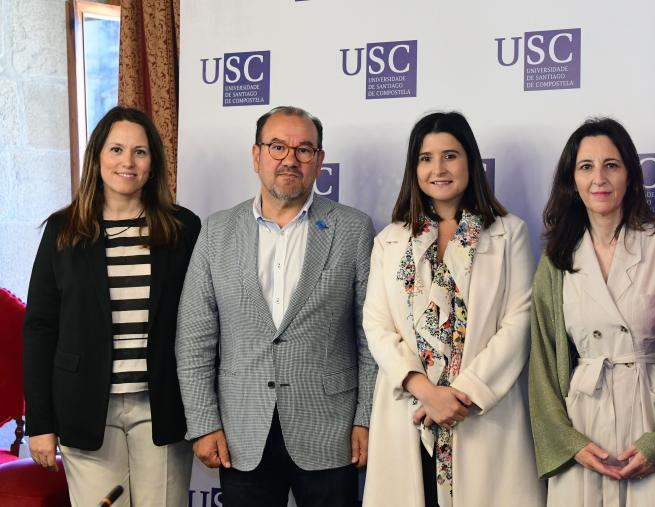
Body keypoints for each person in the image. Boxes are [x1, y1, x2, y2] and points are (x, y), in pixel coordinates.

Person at [175, 106, 376, 507]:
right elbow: (194, 337)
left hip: (331, 432)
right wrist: (202, 424)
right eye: (278, 147)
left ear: (319, 160)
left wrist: (366, 418)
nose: (290, 159)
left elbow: (370, 336)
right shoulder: (217, 231)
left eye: (304, 150)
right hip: (241, 432)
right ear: (256, 156)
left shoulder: (353, 228)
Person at [362, 112, 545, 507]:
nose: (438, 169)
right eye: (426, 158)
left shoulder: (507, 232)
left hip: (478, 412)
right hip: (410, 413)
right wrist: (426, 391)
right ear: (414, 169)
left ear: (470, 162)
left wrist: (457, 396)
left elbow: (519, 321)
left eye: (450, 155)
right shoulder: (389, 240)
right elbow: (376, 325)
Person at [22, 106, 201, 506]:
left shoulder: (183, 229)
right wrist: (40, 424)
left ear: (153, 163)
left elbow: (203, 323)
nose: (127, 162)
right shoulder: (64, 230)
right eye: (116, 149)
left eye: (140, 152)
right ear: (98, 157)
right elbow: (39, 329)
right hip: (85, 410)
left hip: (162, 408)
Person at [529, 117, 655, 506]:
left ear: (632, 176)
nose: (599, 178)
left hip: (651, 417)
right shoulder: (556, 259)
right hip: (584, 424)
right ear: (572, 181)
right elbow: (542, 362)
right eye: (586, 167)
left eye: (611, 165)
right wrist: (568, 442)